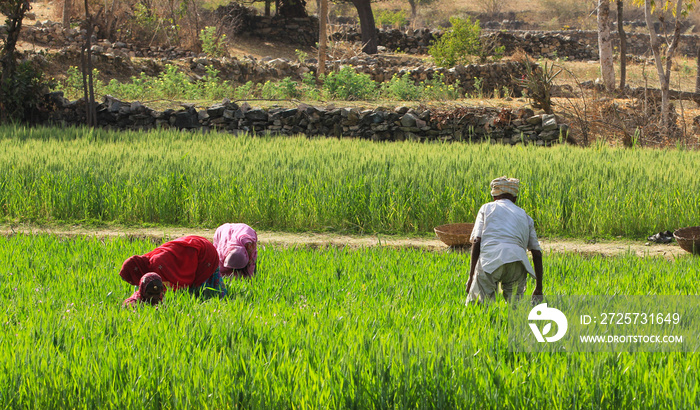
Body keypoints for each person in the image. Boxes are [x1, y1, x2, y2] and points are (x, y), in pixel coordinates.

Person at [465, 177, 543, 304]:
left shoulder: (486, 208)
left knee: (478, 306)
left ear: (494, 197)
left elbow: (476, 241)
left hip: (490, 259)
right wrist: (539, 287)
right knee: (515, 308)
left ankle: (487, 323)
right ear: (515, 198)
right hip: (518, 262)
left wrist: (471, 276)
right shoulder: (525, 216)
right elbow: (536, 253)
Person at [119, 235, 227, 300]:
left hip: (203, 253)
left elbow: (175, 283)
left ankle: (218, 298)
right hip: (196, 246)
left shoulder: (157, 267)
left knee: (202, 290)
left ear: (135, 272)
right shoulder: (147, 263)